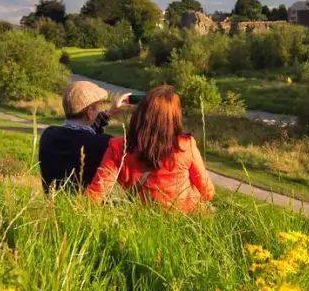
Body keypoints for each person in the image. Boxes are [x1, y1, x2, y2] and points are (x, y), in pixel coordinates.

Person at [87, 85, 215, 212]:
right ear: (174, 117)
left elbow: (95, 195)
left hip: (143, 218)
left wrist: (111, 111)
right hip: (187, 219)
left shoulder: (118, 147)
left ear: (139, 114)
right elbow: (208, 192)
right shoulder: (185, 146)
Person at [39, 80, 129, 193]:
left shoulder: (49, 135)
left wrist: (109, 113)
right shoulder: (105, 144)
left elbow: (81, 135)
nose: (99, 110)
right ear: (90, 111)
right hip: (87, 207)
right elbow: (88, 139)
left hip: (54, 205)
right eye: (97, 107)